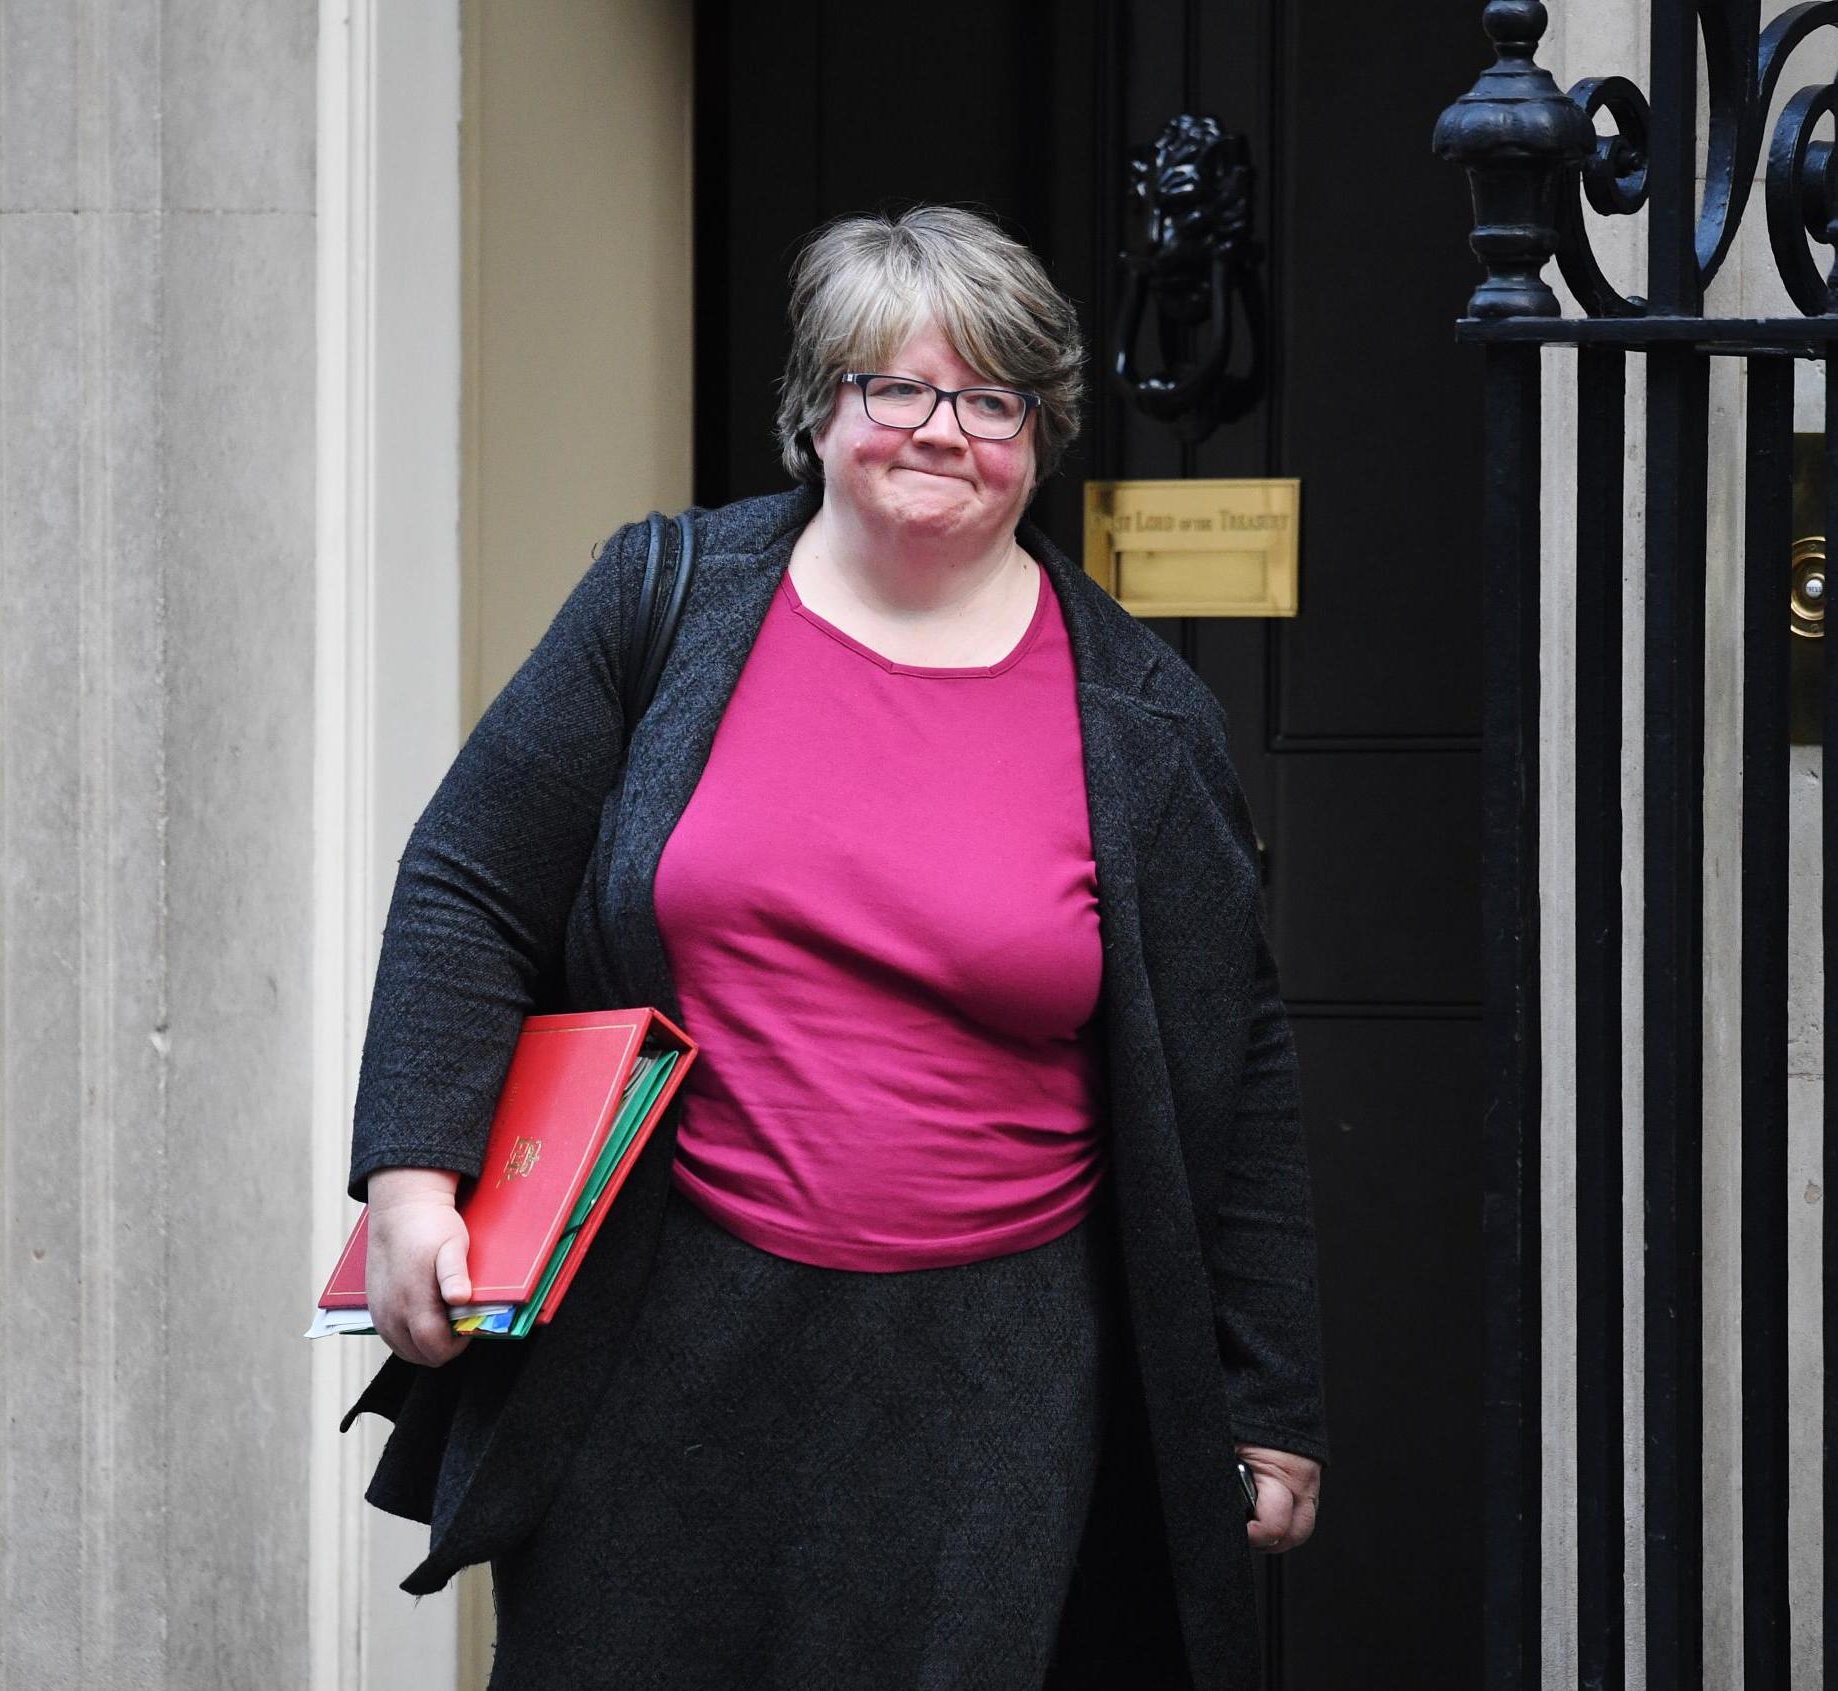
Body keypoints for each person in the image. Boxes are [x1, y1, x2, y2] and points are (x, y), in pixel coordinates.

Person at [341, 204, 1328, 1691]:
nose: (941, 430)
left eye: (991, 398)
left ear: (1042, 433)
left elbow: (1237, 1070)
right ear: (819, 413)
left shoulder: (1143, 720)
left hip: (1001, 1373)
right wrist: (415, 1181)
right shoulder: (660, 604)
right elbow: (472, 883)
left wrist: (1267, 1399)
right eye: (894, 388)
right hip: (663, 1333)